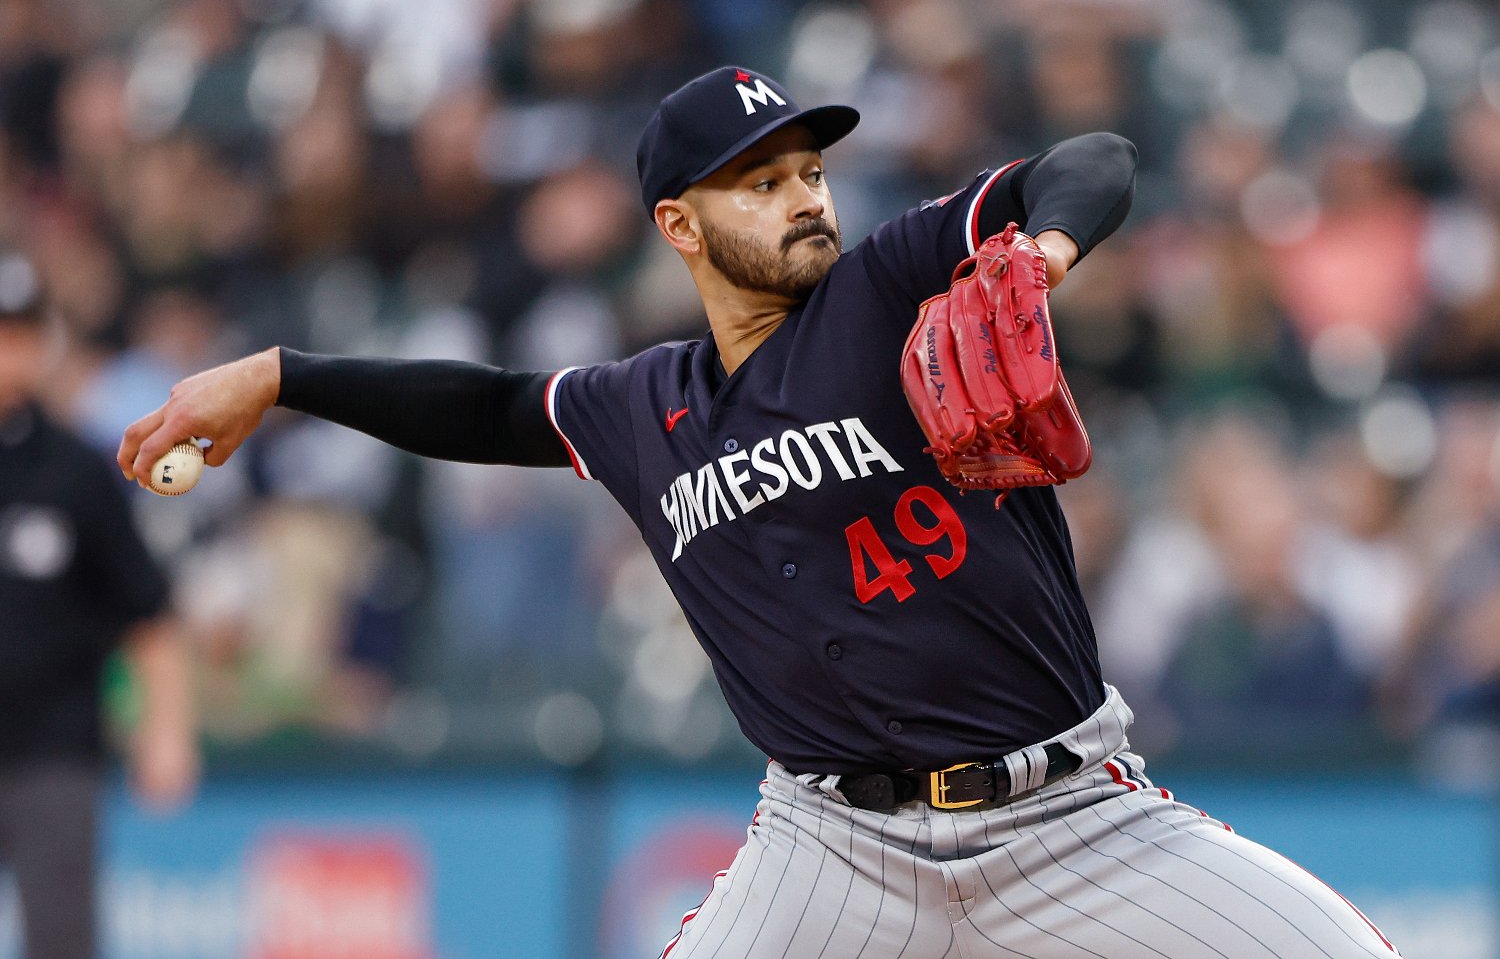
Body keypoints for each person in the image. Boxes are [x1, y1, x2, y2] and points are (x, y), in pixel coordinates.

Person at [118, 68, 1399, 958]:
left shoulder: (888, 290)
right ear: (678, 224)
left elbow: (1091, 162)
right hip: (833, 850)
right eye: (758, 181)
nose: (803, 197)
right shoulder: (644, 405)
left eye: (808, 169)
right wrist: (282, 376)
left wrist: (1040, 255)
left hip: (1071, 820)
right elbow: (491, 408)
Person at [0, 262, 199, 959]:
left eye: (18, 333)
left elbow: (147, 607)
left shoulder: (75, 470)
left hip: (52, 749)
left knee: (61, 942)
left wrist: (166, 729)